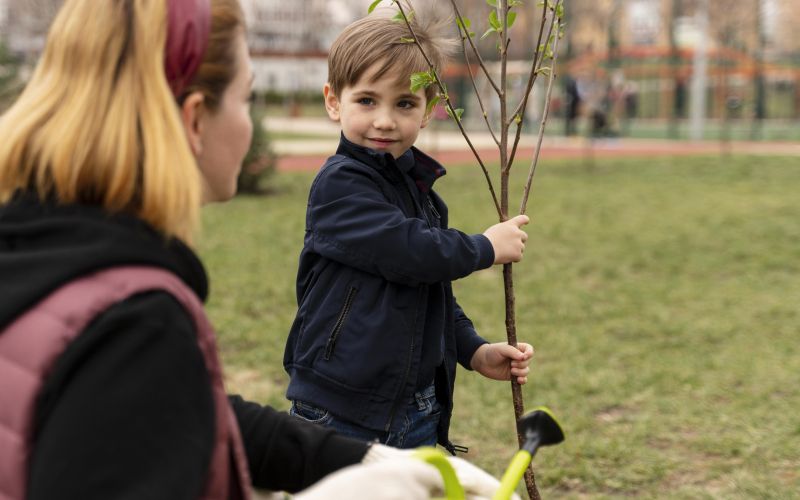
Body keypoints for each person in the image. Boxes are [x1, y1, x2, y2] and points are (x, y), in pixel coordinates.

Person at [0, 0, 511, 498]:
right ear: (197, 119)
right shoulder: (135, 322)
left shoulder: (46, 258)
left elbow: (190, 411)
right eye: (248, 99)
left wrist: (367, 464)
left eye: (403, 103)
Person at [283, 6, 534, 453]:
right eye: (366, 100)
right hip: (343, 405)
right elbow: (409, 251)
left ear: (429, 109)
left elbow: (430, 288)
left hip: (416, 406)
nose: (384, 120)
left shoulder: (419, 191)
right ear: (333, 100)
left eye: (404, 103)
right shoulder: (340, 184)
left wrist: (473, 350)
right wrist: (482, 248)